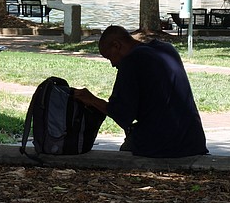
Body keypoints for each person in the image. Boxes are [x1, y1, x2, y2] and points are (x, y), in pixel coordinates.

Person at [73, 25, 208, 158]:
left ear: (116, 45)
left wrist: (92, 100)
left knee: (126, 151)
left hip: (165, 146)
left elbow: (121, 113)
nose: (113, 64)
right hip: (194, 141)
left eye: (109, 57)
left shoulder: (132, 61)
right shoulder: (167, 49)